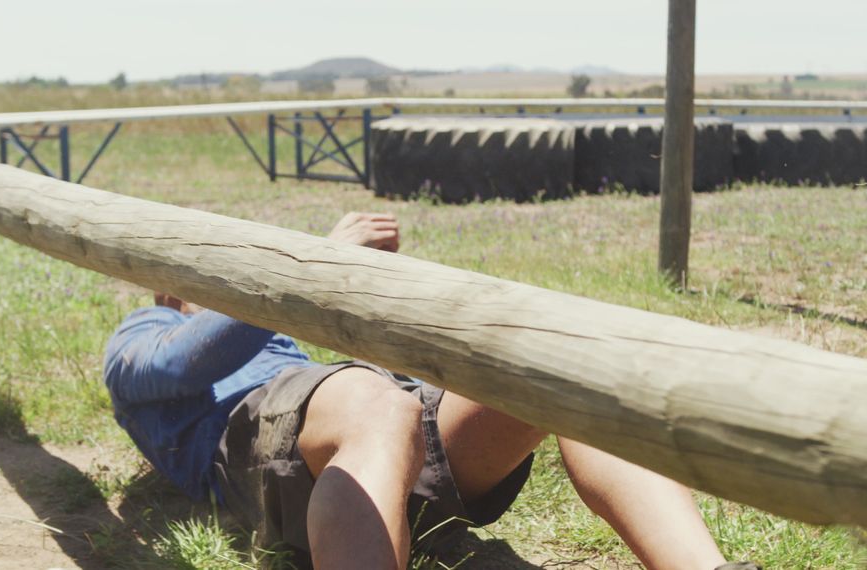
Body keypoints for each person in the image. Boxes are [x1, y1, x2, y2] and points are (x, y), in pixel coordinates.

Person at [103, 212, 756, 570]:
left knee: (559, 375)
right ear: (172, 283)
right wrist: (310, 265)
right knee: (373, 402)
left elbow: (369, 388)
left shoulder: (285, 346)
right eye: (222, 264)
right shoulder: (147, 329)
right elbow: (184, 364)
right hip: (258, 459)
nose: (238, 271)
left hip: (375, 450)